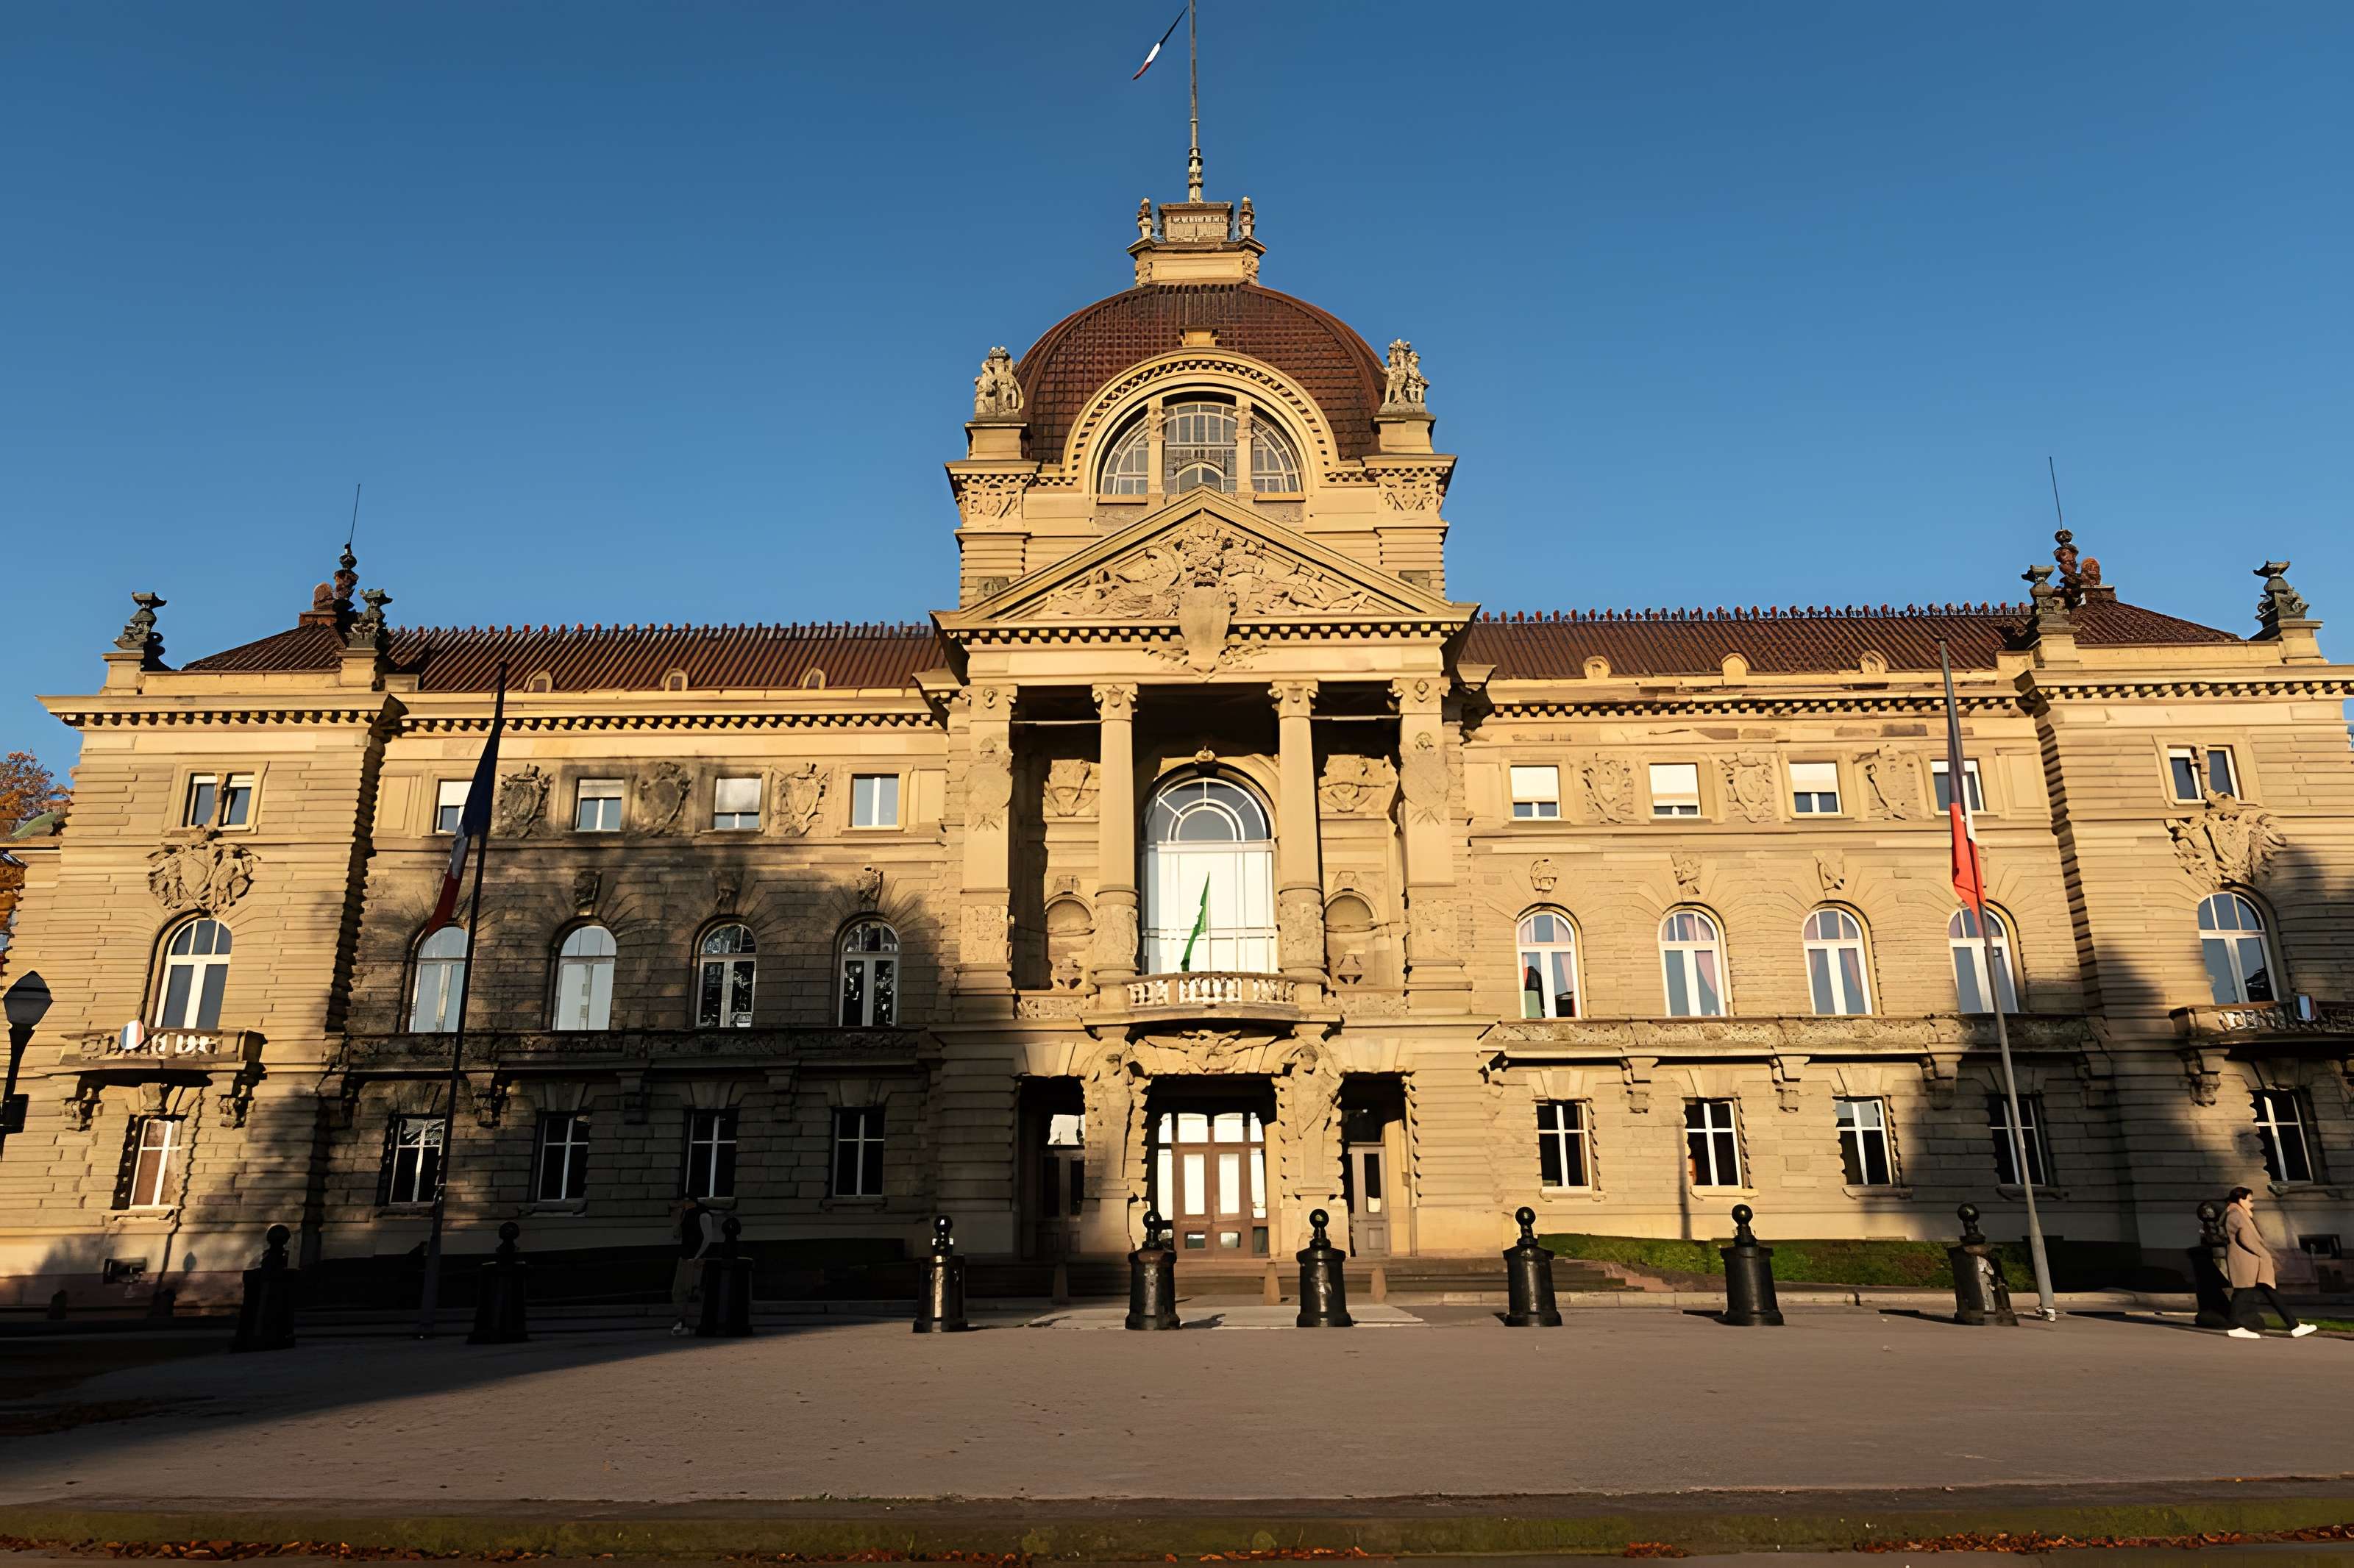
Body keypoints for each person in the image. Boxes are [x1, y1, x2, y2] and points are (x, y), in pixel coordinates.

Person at [2222, 1186, 2316, 1339]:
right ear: (2241, 1200)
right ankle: (2236, 1327)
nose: (2252, 1204)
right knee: (2243, 1294)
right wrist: (2265, 1255)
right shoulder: (2237, 1215)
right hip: (2249, 1263)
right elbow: (2246, 1239)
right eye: (2250, 1200)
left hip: (2251, 1263)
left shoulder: (2237, 1213)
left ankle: (2293, 1326)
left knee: (2256, 1293)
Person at [668, 1192, 712, 1337]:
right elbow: (677, 1235)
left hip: (696, 1259)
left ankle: (698, 1323)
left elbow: (707, 1238)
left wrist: (698, 1256)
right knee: (678, 1291)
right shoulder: (685, 1215)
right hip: (685, 1258)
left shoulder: (703, 1215)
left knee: (694, 1290)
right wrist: (677, 1220)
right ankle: (681, 1321)